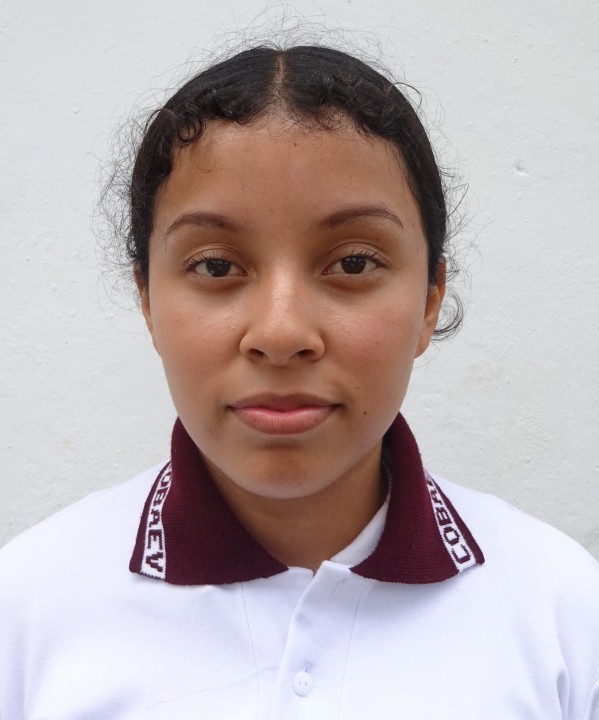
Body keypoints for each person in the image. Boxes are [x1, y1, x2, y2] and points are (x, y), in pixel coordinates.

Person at [1, 44, 598, 719]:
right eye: (216, 267)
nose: (281, 332)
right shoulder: (27, 612)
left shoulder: (561, 614)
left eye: (352, 262)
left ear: (430, 299)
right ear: (147, 299)